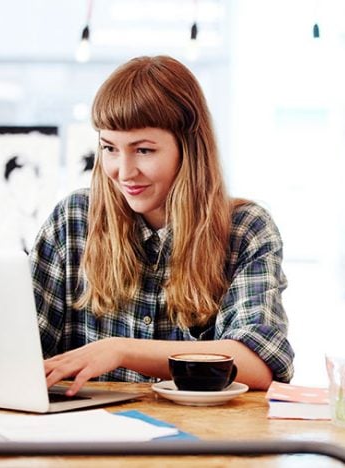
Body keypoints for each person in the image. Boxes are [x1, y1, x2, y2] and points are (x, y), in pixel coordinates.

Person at [30, 55, 294, 396]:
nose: (123, 172)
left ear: (188, 149)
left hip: (200, 438)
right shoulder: (73, 220)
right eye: (109, 148)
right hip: (86, 438)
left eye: (143, 150)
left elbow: (257, 363)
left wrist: (121, 350)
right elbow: (19, 349)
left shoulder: (246, 229)